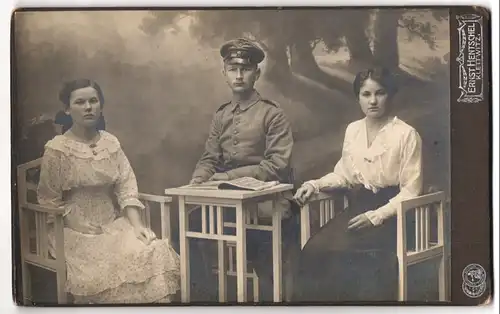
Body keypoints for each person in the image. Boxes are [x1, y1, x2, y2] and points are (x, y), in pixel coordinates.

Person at [37, 79, 180, 304]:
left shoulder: (111, 143)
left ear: (101, 106)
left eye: (93, 101)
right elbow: (47, 198)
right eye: (80, 102)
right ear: (67, 109)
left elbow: (127, 187)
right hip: (70, 229)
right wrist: (73, 222)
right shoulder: (57, 149)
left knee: (153, 250)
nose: (88, 107)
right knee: (103, 265)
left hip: (113, 223)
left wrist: (136, 225)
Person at [292, 67, 423, 302]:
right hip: (358, 208)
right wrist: (315, 184)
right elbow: (344, 175)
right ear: (358, 97)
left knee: (364, 259)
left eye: (380, 93)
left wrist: (377, 216)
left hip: (394, 215)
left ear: (390, 95)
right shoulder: (353, 130)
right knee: (314, 250)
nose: (373, 101)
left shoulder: (406, 134)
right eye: (366, 94)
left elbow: (412, 190)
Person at [189, 38, 299, 302]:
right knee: (189, 224)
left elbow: (276, 165)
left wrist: (228, 176)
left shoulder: (272, 114)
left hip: (267, 201)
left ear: (256, 73)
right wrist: (198, 179)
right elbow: (209, 158)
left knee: (261, 254)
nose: (239, 75)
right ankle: (204, 297)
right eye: (233, 69)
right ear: (224, 73)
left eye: (245, 69)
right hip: (226, 200)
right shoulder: (222, 115)